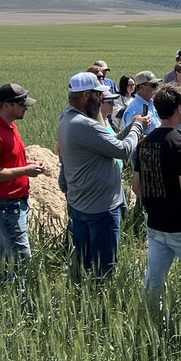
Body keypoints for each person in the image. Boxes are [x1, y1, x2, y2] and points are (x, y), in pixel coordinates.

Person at [57, 71, 150, 278]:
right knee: (104, 267)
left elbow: (108, 144)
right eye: (99, 96)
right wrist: (136, 126)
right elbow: (122, 150)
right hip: (100, 208)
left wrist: (129, 130)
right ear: (86, 95)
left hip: (81, 203)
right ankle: (100, 303)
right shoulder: (85, 124)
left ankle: (82, 298)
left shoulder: (68, 119)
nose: (101, 101)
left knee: (83, 262)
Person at [132, 83, 181, 303]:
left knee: (153, 284)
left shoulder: (144, 144)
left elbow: (136, 187)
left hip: (155, 225)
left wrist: (157, 205)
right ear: (178, 109)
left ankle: (150, 323)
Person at [0, 83, 47, 280]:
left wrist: (29, 165)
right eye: (22, 104)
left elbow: (9, 162)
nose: (26, 108)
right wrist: (25, 170)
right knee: (20, 256)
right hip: (5, 205)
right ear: (6, 105)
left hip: (17, 202)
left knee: (8, 255)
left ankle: (5, 297)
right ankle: (19, 303)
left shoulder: (10, 127)